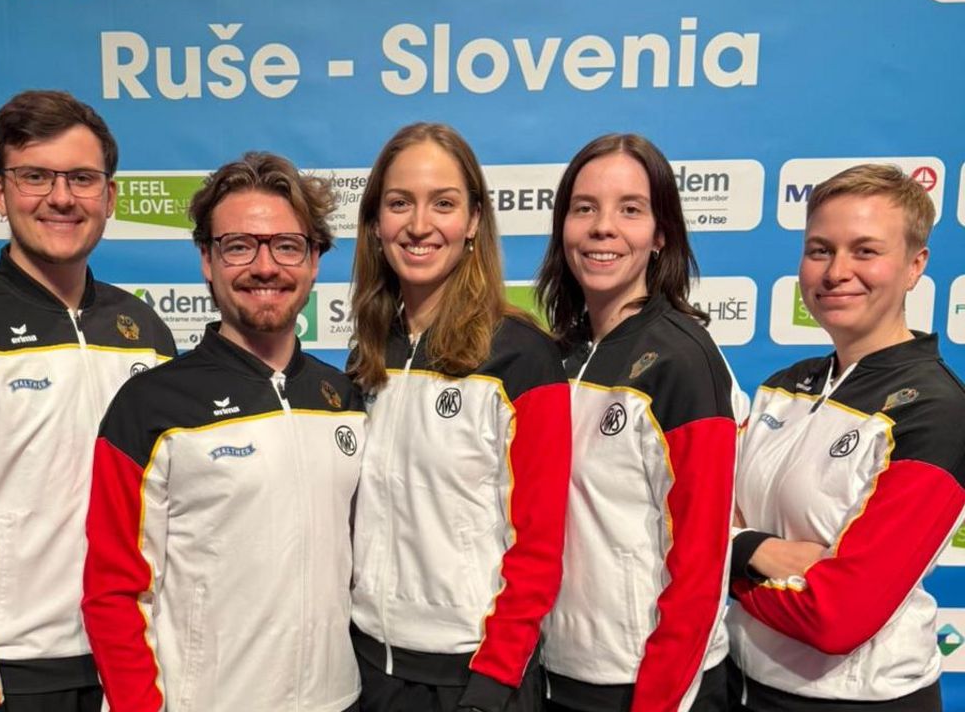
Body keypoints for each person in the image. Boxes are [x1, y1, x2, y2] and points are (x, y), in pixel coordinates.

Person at [0, 90, 175, 712]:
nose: (60, 197)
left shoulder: (148, 332)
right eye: (34, 176)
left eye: (82, 178)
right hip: (14, 672)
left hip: (136, 661)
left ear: (110, 195)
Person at [82, 151, 365, 712]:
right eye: (239, 245)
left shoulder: (345, 399)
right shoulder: (150, 405)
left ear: (314, 261)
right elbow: (113, 592)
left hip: (338, 699)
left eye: (287, 245)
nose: (265, 267)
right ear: (207, 260)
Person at [347, 122, 570, 712]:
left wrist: (493, 683)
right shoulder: (368, 353)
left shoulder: (522, 356)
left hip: (472, 679)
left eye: (443, 204)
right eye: (400, 204)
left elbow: (539, 546)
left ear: (473, 221)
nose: (419, 225)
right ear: (375, 223)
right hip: (367, 666)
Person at [727, 164, 965, 711]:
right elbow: (700, 512)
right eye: (820, 249)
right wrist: (764, 551)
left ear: (914, 266)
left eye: (865, 251)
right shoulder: (782, 387)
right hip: (740, 684)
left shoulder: (937, 411)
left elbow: (835, 616)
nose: (837, 271)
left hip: (857, 701)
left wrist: (726, 559)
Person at [534, 133, 740, 712]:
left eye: (630, 209)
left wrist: (660, 698)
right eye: (585, 208)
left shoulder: (684, 359)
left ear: (661, 235)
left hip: (649, 685)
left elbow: (701, 565)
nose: (604, 228)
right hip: (555, 671)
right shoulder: (557, 356)